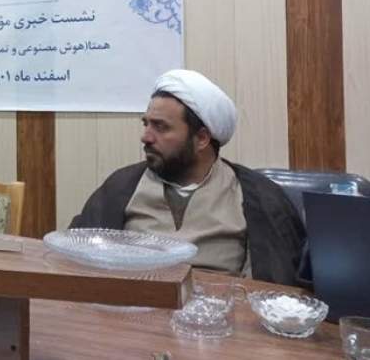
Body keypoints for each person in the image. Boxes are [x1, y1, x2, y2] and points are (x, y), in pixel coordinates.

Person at [70, 69, 306, 286]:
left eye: (160, 127)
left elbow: (274, 287)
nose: (146, 137)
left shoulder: (255, 196)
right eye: (146, 124)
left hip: (221, 310)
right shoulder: (122, 187)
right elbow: (77, 261)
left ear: (202, 138)